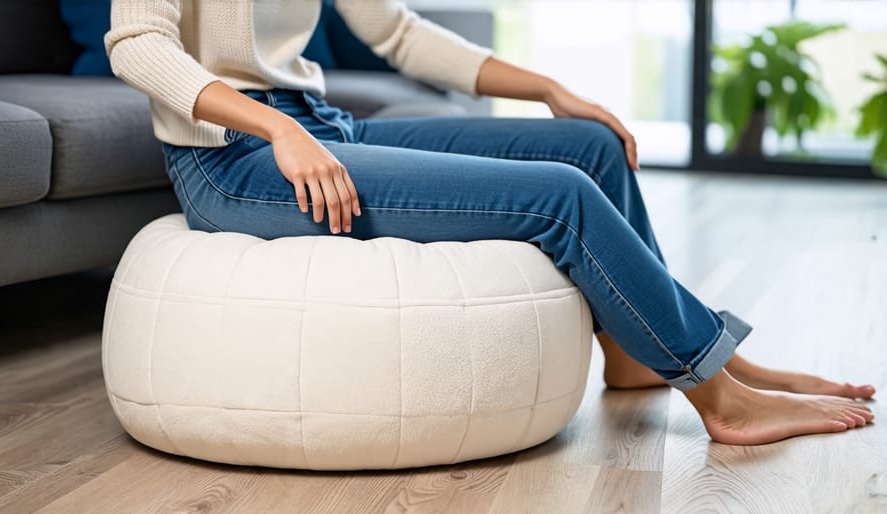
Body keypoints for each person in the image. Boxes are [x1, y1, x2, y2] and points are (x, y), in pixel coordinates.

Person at [105, 0, 874, 446]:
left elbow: (398, 32)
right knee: (561, 196)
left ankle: (644, 356)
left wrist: (548, 88)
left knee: (590, 146)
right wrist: (276, 131)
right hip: (233, 157)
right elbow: (138, 44)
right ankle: (723, 396)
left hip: (321, 124)